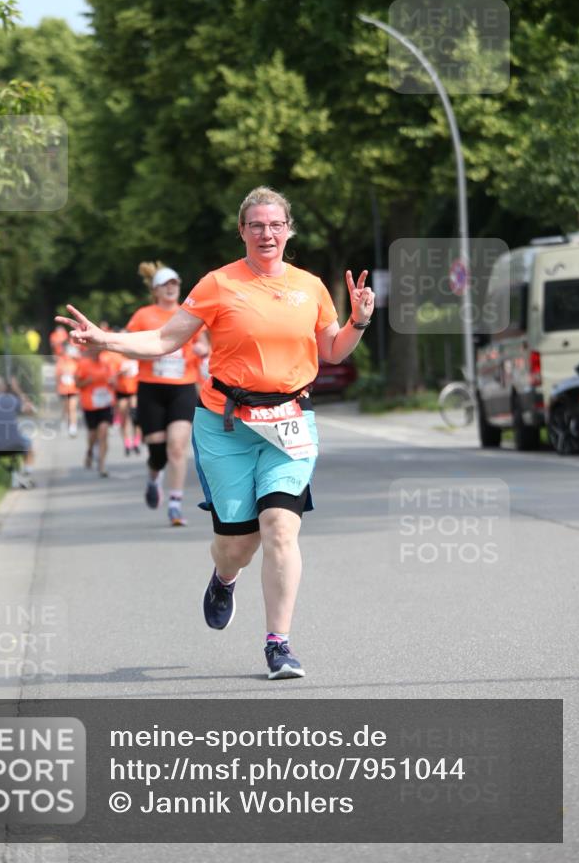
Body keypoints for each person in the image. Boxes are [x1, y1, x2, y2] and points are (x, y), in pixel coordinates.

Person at [56, 186, 374, 680]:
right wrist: (106, 340)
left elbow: (332, 349)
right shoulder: (218, 283)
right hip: (226, 425)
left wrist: (359, 320)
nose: (267, 234)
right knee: (237, 546)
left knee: (280, 528)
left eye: (276, 225)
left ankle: (278, 644)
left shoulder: (310, 287)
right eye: (256, 225)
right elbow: (166, 338)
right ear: (242, 231)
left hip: (290, 421)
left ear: (289, 230)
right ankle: (224, 577)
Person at [125, 262, 205, 526]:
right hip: (151, 387)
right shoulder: (143, 315)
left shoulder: (189, 313)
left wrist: (203, 350)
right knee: (158, 452)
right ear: (155, 290)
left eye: (175, 283)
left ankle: (175, 505)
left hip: (183, 386)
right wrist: (140, 354)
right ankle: (153, 478)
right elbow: (128, 345)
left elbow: (204, 342)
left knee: (177, 447)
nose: (171, 288)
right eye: (165, 284)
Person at [0, 374, 36, 488]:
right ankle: (27, 473)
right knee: (29, 444)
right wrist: (17, 390)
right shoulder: (11, 400)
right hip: (16, 443)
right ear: (4, 387)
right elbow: (31, 410)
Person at [75, 345, 116, 478]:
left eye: (98, 349)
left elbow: (114, 380)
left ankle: (102, 464)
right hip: (90, 404)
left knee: (103, 432)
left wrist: (113, 382)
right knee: (93, 434)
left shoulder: (107, 362)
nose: (96, 352)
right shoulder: (83, 364)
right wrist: (87, 381)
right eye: (93, 349)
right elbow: (77, 384)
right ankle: (90, 451)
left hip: (106, 403)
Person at [100, 342, 141, 455]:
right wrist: (120, 373)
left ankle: (136, 441)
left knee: (135, 417)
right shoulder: (117, 359)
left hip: (135, 391)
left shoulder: (138, 358)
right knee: (124, 418)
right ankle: (127, 443)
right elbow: (111, 378)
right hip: (122, 391)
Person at [56, 343, 80, 436]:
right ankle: (64, 420)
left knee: (72, 407)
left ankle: (73, 427)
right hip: (63, 389)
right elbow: (58, 375)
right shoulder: (61, 361)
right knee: (66, 408)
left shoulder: (76, 362)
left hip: (74, 389)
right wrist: (58, 387)